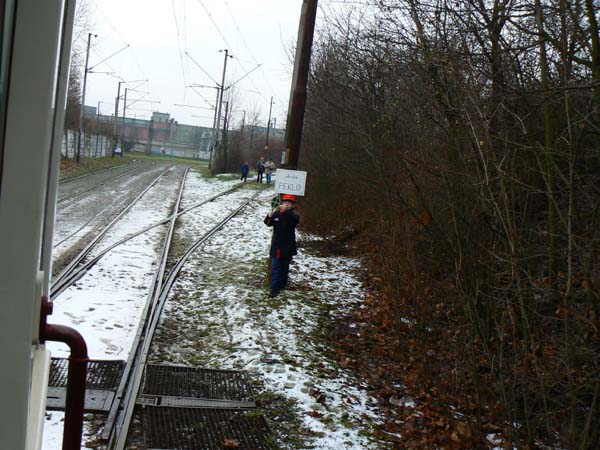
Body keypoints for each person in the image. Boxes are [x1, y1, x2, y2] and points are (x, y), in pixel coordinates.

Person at [264, 193, 300, 298]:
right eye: (285, 203)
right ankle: (274, 289)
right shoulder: (277, 214)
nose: (286, 205)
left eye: (289, 203)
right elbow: (268, 223)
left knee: (284, 267)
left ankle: (282, 285)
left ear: (293, 205)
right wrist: (269, 217)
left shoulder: (294, 215)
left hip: (287, 247)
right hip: (277, 246)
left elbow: (294, 221)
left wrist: (286, 212)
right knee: (275, 267)